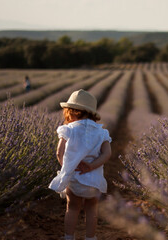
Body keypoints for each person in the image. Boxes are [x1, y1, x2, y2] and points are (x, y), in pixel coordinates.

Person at [49, 89, 112, 240]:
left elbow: (59, 152)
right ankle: (90, 238)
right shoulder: (101, 132)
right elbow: (107, 154)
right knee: (91, 209)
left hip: (75, 179)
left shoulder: (68, 129)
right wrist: (91, 166)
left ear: (73, 112)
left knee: (72, 208)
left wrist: (69, 167)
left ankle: (69, 237)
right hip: (94, 180)